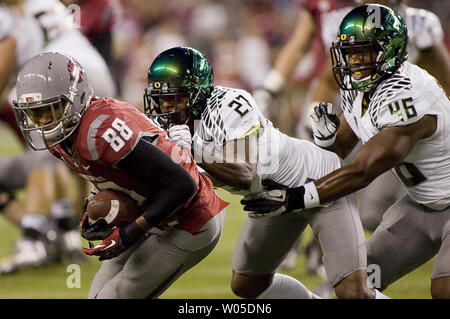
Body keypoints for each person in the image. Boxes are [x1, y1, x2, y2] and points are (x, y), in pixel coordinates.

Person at [144, 46, 390, 299]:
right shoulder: (169, 126)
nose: (166, 106)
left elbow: (245, 174)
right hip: (271, 199)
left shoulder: (229, 105)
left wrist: (194, 149)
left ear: (199, 93)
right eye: (161, 98)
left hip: (317, 180)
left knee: (353, 292)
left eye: (177, 98)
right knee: (247, 285)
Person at [242, 4, 450, 298]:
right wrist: (327, 138)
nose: (353, 60)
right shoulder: (363, 86)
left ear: (389, 51)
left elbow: (363, 171)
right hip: (419, 204)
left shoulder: (409, 95)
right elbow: (343, 147)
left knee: (444, 289)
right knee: (354, 288)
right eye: (349, 52)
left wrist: (296, 197)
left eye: (363, 52)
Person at [11, 51, 227, 298]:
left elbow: (182, 184)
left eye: (52, 109)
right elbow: (116, 178)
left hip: (190, 215)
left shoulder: (99, 129)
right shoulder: (62, 139)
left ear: (75, 98)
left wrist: (129, 233)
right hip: (158, 211)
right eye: (36, 113)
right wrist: (91, 215)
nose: (45, 121)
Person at [0, 0, 116, 273]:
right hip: (94, 72)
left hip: (51, 75)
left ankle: (33, 242)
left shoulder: (9, 14)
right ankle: (66, 237)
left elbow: (8, 51)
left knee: (42, 153)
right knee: (72, 160)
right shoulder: (46, 2)